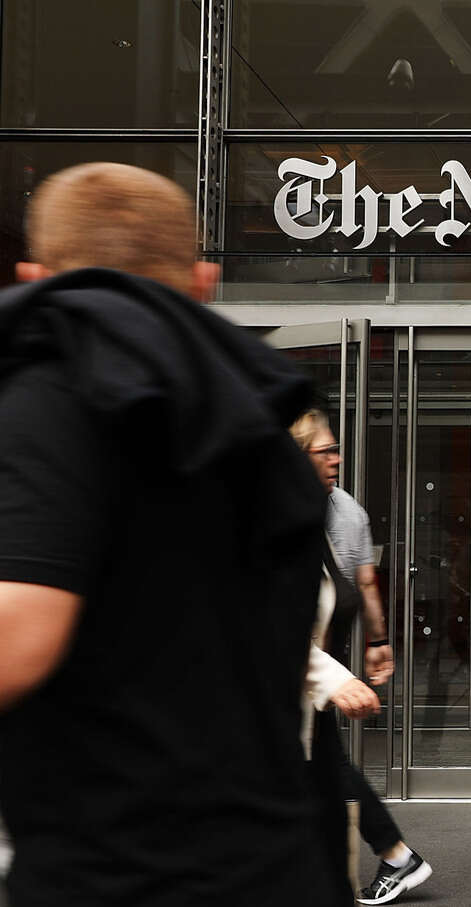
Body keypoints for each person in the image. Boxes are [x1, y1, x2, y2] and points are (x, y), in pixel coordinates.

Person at [0, 163, 342, 903]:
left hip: (111, 875)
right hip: (280, 868)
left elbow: (18, 636)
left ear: (33, 274)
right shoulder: (268, 435)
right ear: (202, 280)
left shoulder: (52, 394)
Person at [290, 410, 433, 905]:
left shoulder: (334, 511)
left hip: (319, 671)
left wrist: (373, 644)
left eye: (335, 448)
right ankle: (395, 854)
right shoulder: (279, 524)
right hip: (301, 678)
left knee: (328, 779)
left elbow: (361, 582)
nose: (337, 457)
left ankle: (394, 855)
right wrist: (335, 673)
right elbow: (265, 624)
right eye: (325, 450)